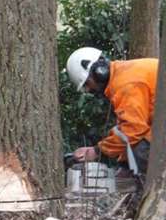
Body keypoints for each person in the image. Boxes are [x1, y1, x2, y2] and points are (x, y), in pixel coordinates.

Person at [65, 47, 158, 178]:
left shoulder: (126, 84)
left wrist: (97, 151)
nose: (89, 89)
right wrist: (125, 164)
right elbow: (127, 129)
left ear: (98, 72)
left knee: (142, 150)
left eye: (87, 83)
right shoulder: (121, 75)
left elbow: (134, 130)